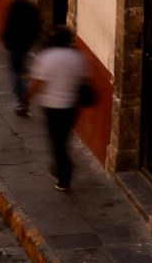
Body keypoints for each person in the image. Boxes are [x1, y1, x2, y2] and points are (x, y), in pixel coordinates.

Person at [28, 26, 88, 191]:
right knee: (63, 139)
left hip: (52, 107)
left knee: (57, 142)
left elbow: (37, 84)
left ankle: (64, 177)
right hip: (71, 107)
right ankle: (63, 166)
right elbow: (84, 80)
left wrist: (27, 99)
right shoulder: (77, 57)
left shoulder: (46, 57)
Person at [1, 0, 43, 115]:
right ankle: (24, 97)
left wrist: (5, 39)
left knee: (16, 73)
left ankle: (22, 101)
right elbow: (37, 26)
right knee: (21, 71)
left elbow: (9, 27)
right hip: (26, 44)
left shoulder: (14, 7)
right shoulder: (30, 7)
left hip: (15, 45)